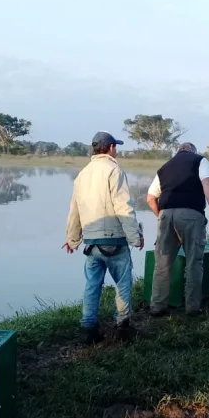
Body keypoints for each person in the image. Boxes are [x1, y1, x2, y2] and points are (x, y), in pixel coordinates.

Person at [63, 131, 144, 344]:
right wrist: (135, 237)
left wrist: (73, 238)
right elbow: (123, 206)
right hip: (115, 240)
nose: (116, 151)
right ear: (110, 148)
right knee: (123, 284)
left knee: (92, 286)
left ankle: (88, 329)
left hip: (91, 243)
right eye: (115, 147)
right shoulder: (114, 170)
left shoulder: (82, 174)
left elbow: (75, 209)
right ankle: (122, 326)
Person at [146, 142, 209, 316]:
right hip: (191, 215)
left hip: (165, 214)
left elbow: (150, 198)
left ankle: (157, 307)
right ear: (193, 151)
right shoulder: (200, 160)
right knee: (194, 261)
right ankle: (192, 308)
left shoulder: (164, 167)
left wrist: (161, 217)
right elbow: (208, 183)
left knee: (162, 264)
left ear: (178, 151)